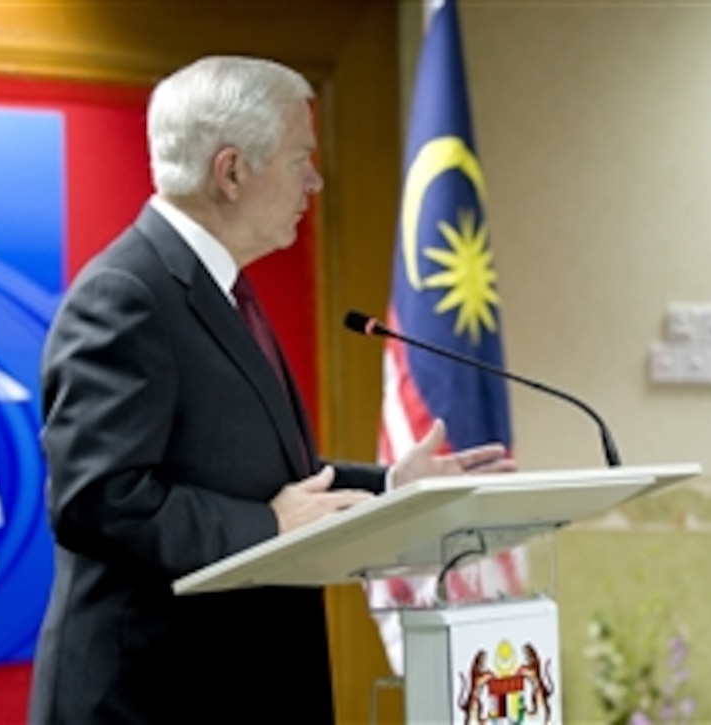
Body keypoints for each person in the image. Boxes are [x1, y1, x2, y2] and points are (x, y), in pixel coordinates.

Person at [28, 55, 514, 724]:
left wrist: (392, 486)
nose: (314, 180)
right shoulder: (126, 295)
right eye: (299, 159)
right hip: (150, 699)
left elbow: (264, 477)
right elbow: (99, 500)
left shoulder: (220, 288)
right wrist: (269, 525)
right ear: (231, 171)